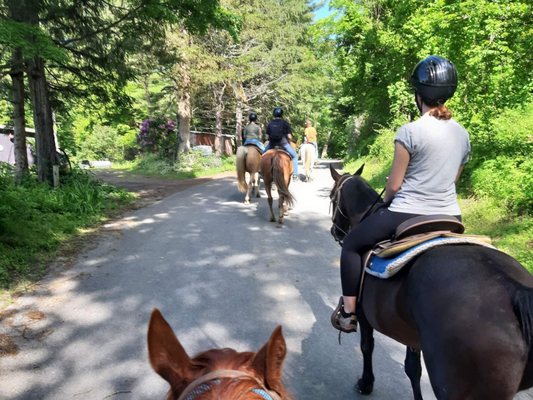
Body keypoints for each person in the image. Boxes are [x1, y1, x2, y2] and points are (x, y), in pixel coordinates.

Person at [330, 55, 471, 333]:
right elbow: (452, 179)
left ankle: (348, 313)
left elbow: (393, 186)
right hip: (450, 214)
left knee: (352, 246)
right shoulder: (463, 134)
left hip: (408, 211)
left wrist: (387, 200)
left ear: (419, 94)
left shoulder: (410, 131)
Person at [263, 107, 299, 180]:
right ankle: (295, 175)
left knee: (262, 155)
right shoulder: (285, 123)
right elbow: (289, 136)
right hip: (283, 144)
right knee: (295, 156)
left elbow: (266, 137)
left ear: (274, 114)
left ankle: (260, 170)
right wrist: (290, 138)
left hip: (272, 144)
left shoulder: (270, 123)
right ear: (282, 114)